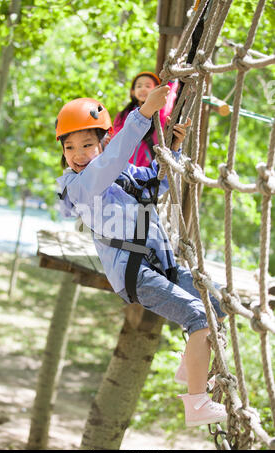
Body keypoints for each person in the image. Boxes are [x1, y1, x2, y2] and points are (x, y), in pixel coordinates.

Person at [55, 86, 227, 428]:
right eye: (69, 146)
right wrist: (143, 114)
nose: (77, 153)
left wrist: (173, 150)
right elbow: (113, 158)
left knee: (217, 305)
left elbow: (154, 185)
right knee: (198, 316)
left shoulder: (121, 174)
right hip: (135, 274)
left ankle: (188, 363)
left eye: (87, 144)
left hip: (161, 264)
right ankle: (196, 404)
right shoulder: (79, 186)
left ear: (101, 143)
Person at [113, 71, 179, 167]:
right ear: (132, 91)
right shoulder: (124, 115)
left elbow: (168, 95)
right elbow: (116, 140)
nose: (143, 89)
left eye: (148, 86)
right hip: (125, 168)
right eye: (139, 86)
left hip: (148, 170)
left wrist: (171, 80)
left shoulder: (159, 113)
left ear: (156, 89)